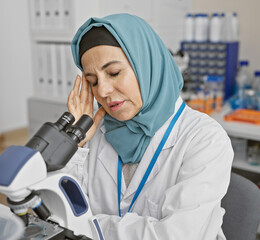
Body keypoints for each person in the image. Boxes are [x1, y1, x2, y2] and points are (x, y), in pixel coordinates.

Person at [63, 13, 233, 240]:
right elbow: (57, 208)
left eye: (114, 73)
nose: (102, 91)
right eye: (92, 81)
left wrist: (87, 225)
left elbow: (176, 236)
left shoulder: (205, 139)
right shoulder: (94, 131)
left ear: (146, 64)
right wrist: (75, 143)